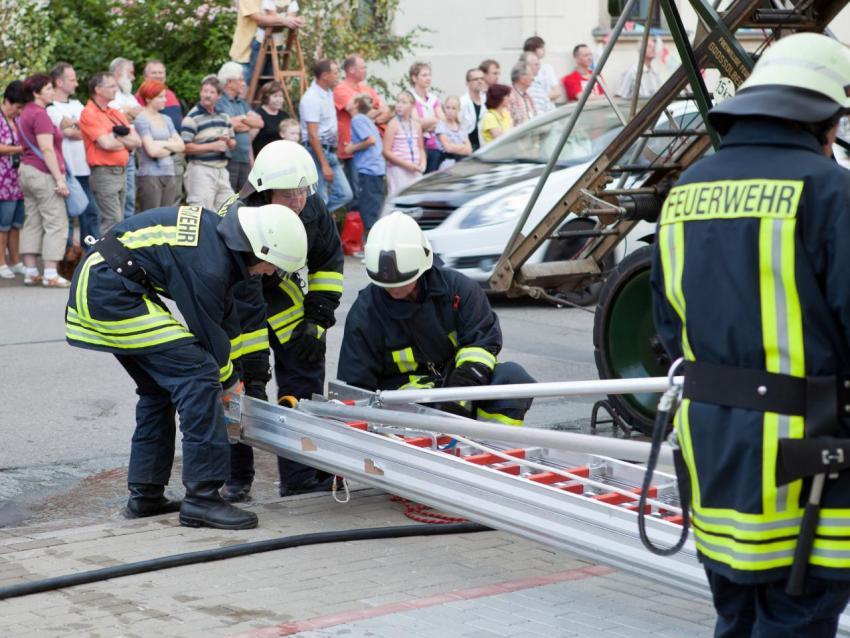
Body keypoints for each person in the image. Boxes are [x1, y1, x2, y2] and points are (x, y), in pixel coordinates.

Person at [650, 33, 850, 636]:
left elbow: (667, 327)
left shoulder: (684, 192)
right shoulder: (830, 190)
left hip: (712, 446)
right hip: (809, 452)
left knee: (735, 612)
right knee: (799, 613)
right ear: (825, 118)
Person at [66, 201, 308, 529]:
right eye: (273, 265)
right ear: (260, 249)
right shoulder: (208, 263)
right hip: (108, 293)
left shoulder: (217, 241)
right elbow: (207, 331)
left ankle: (146, 495)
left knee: (159, 389)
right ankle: (203, 498)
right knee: (199, 375)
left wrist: (235, 373)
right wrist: (228, 383)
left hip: (112, 285)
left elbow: (224, 319)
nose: (270, 273)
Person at [217, 140, 344, 503]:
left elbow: (329, 263)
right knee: (240, 393)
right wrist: (255, 368)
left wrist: (317, 319)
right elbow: (244, 299)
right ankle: (236, 478)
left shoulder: (312, 208)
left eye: (303, 192)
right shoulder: (237, 219)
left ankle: (300, 477)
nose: (298, 202)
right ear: (263, 189)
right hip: (240, 312)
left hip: (288, 305)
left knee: (302, 388)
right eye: (289, 195)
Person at [339, 212, 535, 426]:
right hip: (405, 410)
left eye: (403, 281)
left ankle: (497, 444)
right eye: (386, 284)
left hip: (460, 385)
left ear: (422, 266)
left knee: (512, 378)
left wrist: (460, 392)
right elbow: (356, 387)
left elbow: (482, 342)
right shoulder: (366, 312)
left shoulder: (458, 291)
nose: (394, 289)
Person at [17, 74, 71, 288]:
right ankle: (50, 272)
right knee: (55, 220)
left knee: (32, 220)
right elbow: (47, 148)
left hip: (27, 170)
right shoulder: (40, 115)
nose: (51, 91)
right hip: (43, 172)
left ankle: (30, 271)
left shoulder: (24, 113)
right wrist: (59, 178)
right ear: (36, 93)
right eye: (48, 88)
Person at [79, 72, 141, 235]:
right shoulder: (89, 113)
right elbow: (106, 144)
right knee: (112, 220)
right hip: (104, 173)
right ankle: (106, 259)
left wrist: (115, 138)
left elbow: (136, 141)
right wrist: (122, 140)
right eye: (112, 86)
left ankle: (115, 257)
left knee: (120, 220)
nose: (116, 89)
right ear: (98, 90)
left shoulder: (115, 113)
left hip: (122, 170)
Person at [47, 62, 100, 243]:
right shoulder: (50, 106)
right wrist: (84, 129)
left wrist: (80, 129)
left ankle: (92, 253)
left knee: (90, 212)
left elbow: (90, 129)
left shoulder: (78, 104)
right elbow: (67, 131)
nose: (76, 83)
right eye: (72, 79)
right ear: (59, 82)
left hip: (83, 168)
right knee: (67, 216)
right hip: (66, 170)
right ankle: (66, 258)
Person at [333, 54, 391, 211]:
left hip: (371, 154)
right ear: (351, 69)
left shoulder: (367, 89)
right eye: (363, 67)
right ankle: (358, 230)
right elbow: (358, 113)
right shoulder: (341, 89)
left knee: (373, 193)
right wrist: (374, 114)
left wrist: (375, 116)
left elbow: (386, 110)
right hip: (353, 149)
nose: (365, 70)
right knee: (358, 193)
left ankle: (366, 228)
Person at [300, 58, 352, 212]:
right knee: (321, 196)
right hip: (317, 151)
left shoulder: (328, 93)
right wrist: (324, 165)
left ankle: (318, 219)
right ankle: (315, 225)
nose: (338, 76)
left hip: (330, 151)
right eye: (335, 72)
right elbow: (313, 134)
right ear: (324, 75)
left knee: (345, 194)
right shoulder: (311, 98)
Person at [181, 76, 236, 212]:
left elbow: (234, 143)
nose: (207, 95)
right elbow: (185, 148)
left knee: (228, 210)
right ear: (200, 92)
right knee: (202, 213)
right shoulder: (191, 118)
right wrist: (212, 146)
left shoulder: (223, 116)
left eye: (211, 92)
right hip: (200, 170)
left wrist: (227, 141)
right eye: (205, 91)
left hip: (222, 171)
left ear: (218, 96)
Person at [138, 60, 185, 205]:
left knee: (168, 217)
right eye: (160, 97)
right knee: (152, 218)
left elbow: (182, 146)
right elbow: (151, 151)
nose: (165, 100)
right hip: (151, 175)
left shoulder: (166, 119)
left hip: (169, 171)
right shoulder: (142, 119)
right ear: (148, 99)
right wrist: (171, 147)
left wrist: (162, 144)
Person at [230, 0, 305, 85]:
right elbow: (259, 19)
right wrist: (284, 20)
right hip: (245, 55)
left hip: (271, 46)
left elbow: (287, 13)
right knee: (247, 89)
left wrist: (295, 20)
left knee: (267, 88)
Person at [217, 61, 263, 193]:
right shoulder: (220, 102)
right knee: (229, 200)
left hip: (245, 159)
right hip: (230, 159)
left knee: (244, 199)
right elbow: (230, 125)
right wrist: (246, 121)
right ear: (229, 82)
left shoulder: (241, 102)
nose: (244, 83)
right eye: (241, 80)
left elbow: (260, 122)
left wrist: (242, 119)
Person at [344, 94, 386, 234]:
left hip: (369, 169)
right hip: (376, 168)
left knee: (368, 209)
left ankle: (370, 244)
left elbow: (371, 140)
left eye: (350, 100)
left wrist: (351, 149)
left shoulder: (357, 119)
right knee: (375, 206)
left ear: (356, 104)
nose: (346, 102)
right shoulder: (365, 119)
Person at [108, 58, 143, 218]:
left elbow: (141, 114)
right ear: (118, 73)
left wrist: (127, 112)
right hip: (113, 156)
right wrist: (127, 114)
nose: (133, 77)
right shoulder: (110, 95)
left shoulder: (128, 95)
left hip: (130, 154)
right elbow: (113, 121)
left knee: (129, 199)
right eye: (130, 72)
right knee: (116, 202)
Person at [0, 81, 25, 279]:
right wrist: (19, 149)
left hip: (17, 180)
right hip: (3, 180)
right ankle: (1, 262)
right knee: (3, 224)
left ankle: (15, 260)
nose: (18, 111)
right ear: (7, 100)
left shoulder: (16, 120)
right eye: (16, 107)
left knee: (17, 223)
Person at [383, 90, 425, 198]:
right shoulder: (393, 124)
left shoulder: (416, 125)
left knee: (416, 198)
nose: (399, 105)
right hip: (398, 170)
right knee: (400, 198)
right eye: (398, 102)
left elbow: (420, 148)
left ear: (412, 106)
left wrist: (423, 162)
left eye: (404, 102)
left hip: (415, 169)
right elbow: (386, 152)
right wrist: (406, 165)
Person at [409, 62, 445, 174]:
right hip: (416, 146)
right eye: (424, 75)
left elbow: (443, 122)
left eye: (429, 75)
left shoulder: (433, 98)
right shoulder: (409, 96)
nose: (428, 78)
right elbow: (416, 123)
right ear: (414, 78)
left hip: (434, 146)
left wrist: (427, 125)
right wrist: (434, 120)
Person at [523, 36, 560, 114]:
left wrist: (541, 97)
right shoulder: (522, 69)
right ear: (535, 49)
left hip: (549, 110)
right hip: (531, 111)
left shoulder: (547, 68)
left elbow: (557, 91)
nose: (544, 50)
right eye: (542, 48)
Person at [251, 81, 289, 157]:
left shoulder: (284, 116)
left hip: (280, 158)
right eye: (275, 96)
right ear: (266, 97)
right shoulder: (257, 115)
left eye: (281, 96)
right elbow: (248, 142)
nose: (279, 100)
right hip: (261, 158)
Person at [435, 96, 471, 170]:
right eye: (448, 107)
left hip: (462, 162)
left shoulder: (461, 127)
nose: (450, 111)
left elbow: (469, 150)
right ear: (444, 108)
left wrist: (454, 146)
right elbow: (448, 148)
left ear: (458, 110)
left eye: (453, 108)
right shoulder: (441, 126)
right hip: (447, 162)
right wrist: (462, 147)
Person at [459, 68, 487, 151]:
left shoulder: (486, 100)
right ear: (467, 83)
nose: (480, 81)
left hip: (484, 146)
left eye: (482, 79)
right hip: (467, 147)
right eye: (475, 79)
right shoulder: (462, 102)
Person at [507, 62, 537, 127]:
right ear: (522, 78)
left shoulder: (528, 96)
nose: (533, 78)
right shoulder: (509, 96)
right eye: (531, 75)